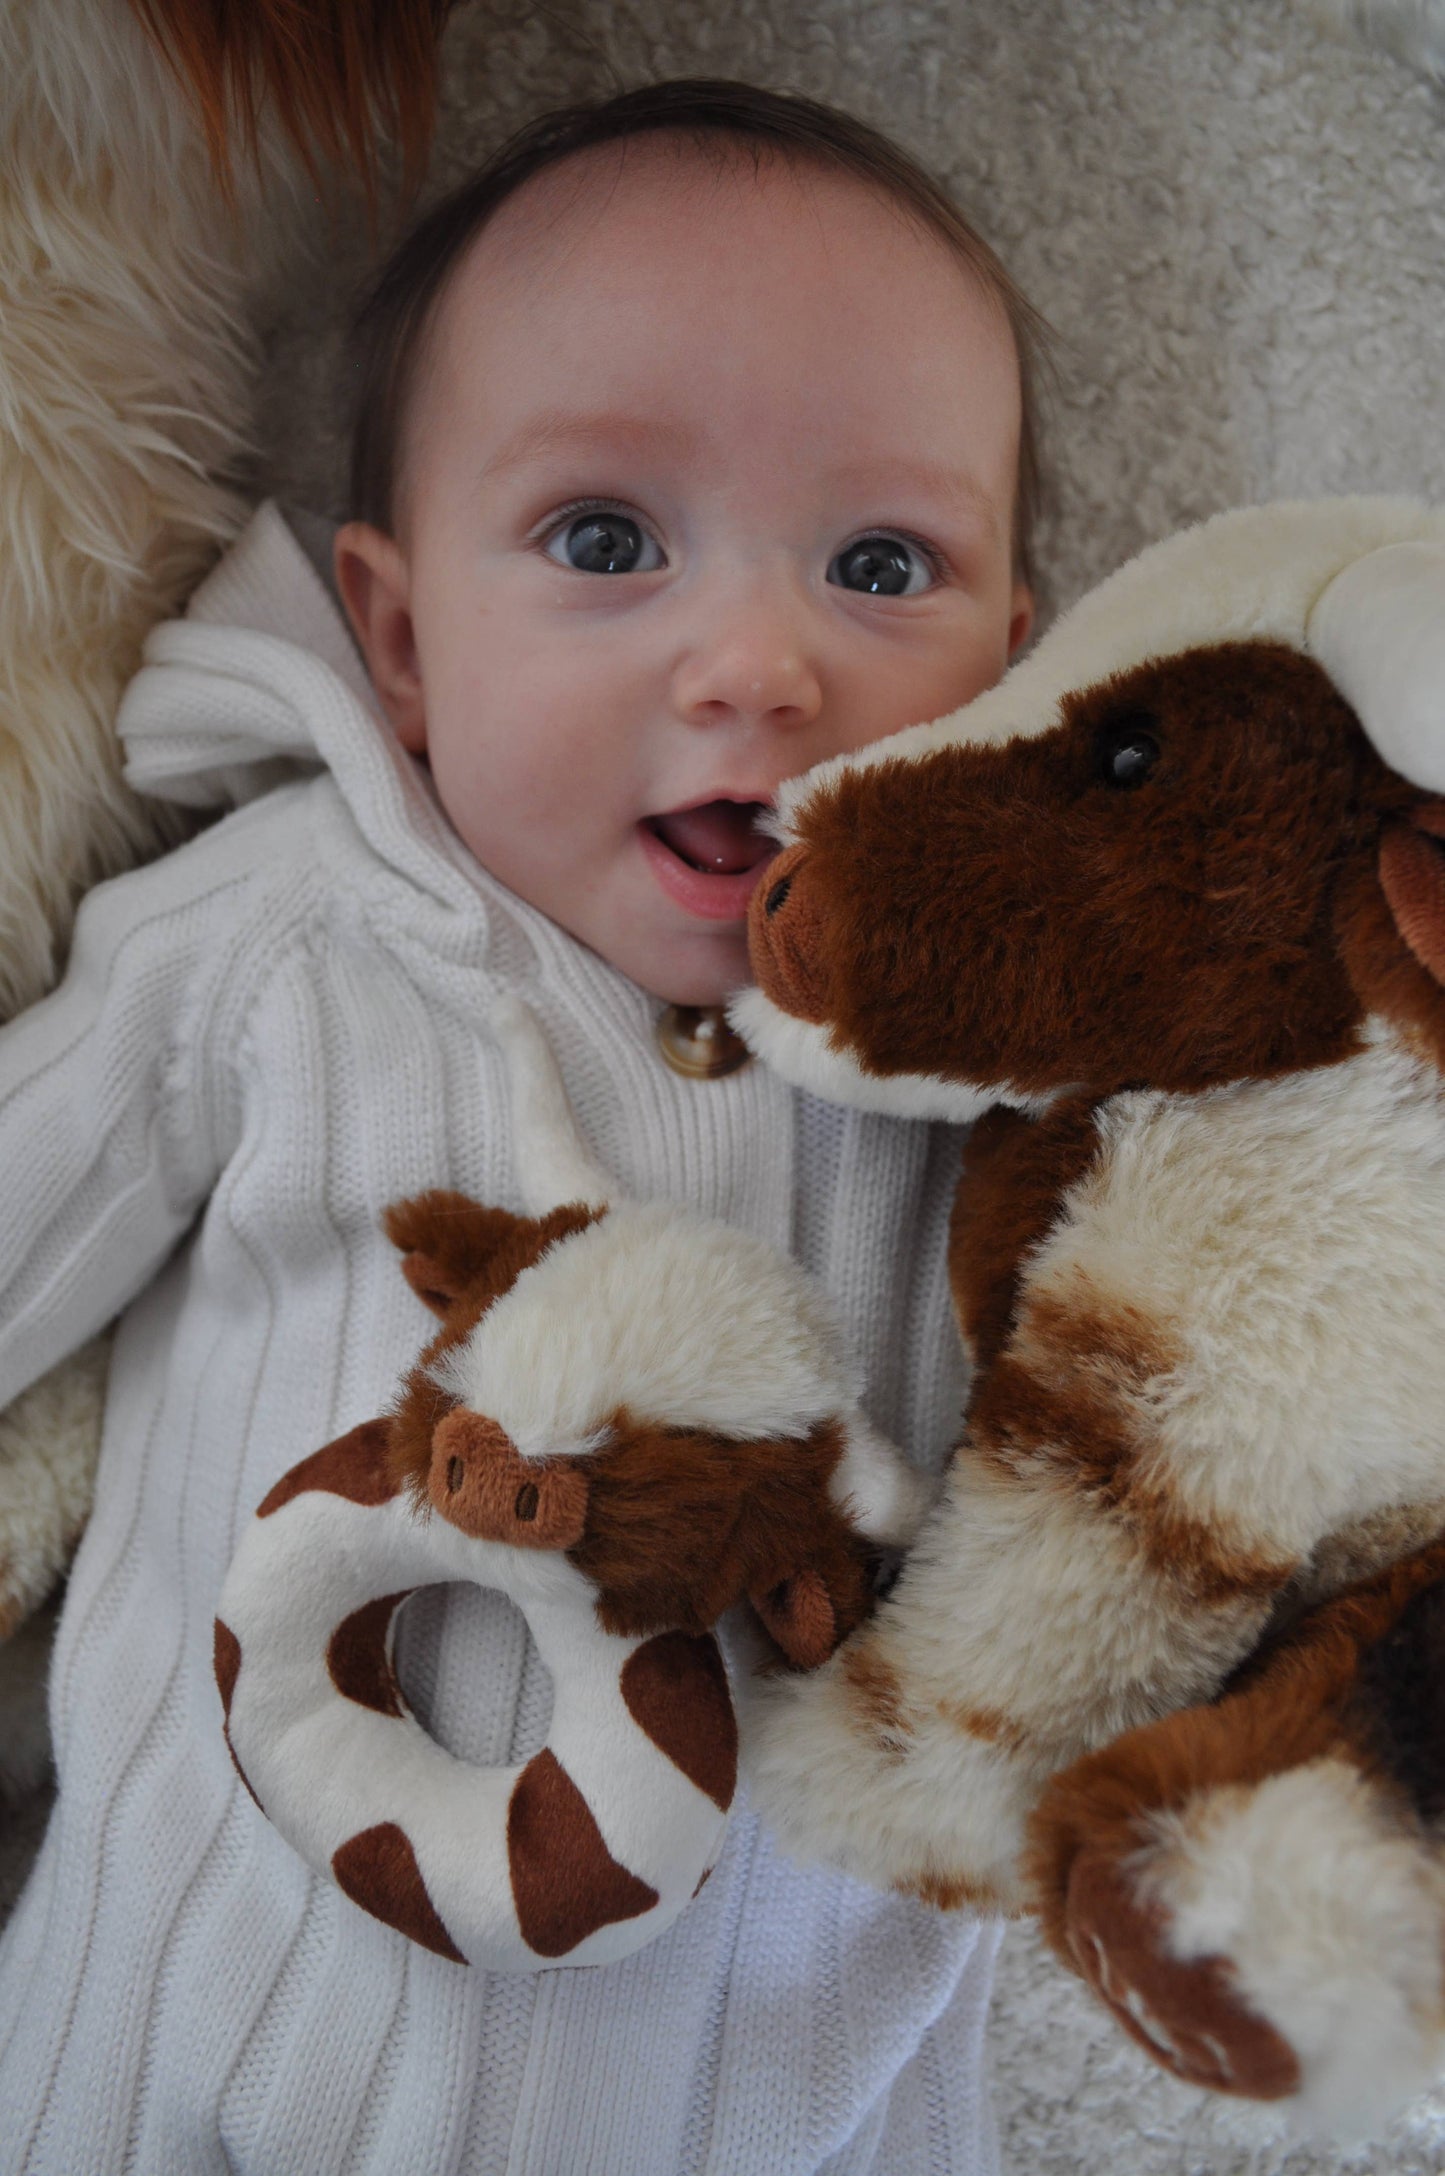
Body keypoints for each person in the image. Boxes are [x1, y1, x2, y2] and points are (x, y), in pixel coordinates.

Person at [0, 79, 1040, 2174]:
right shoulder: (289, 942)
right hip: (185, 2065)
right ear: (397, 638)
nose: (756, 663)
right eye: (603, 539)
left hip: (809, 2108)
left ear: (1016, 670)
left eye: (880, 562)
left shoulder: (1007, 1066)